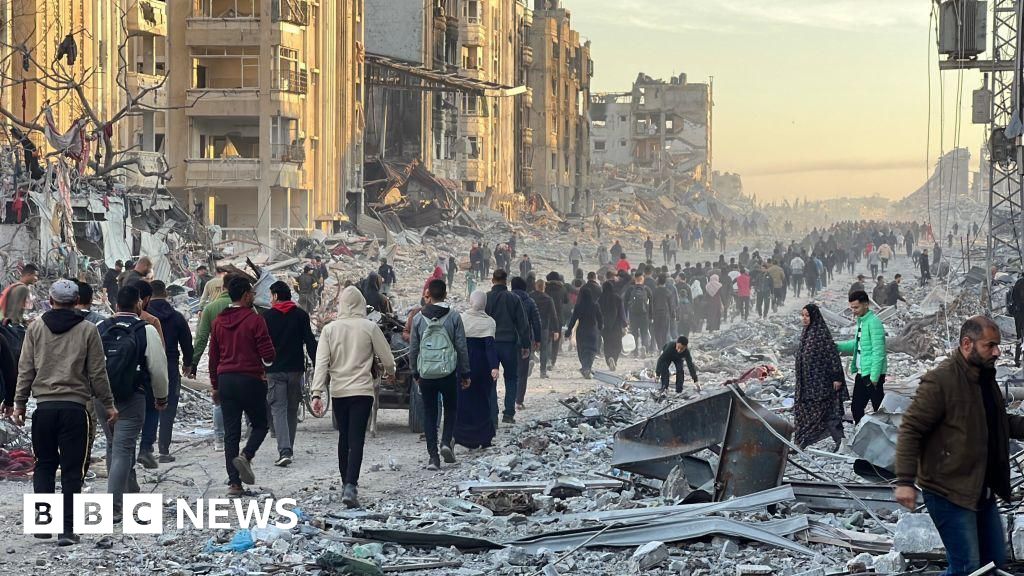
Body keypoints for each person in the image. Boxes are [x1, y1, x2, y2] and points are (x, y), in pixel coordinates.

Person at [894, 316, 1024, 575]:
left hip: (980, 489)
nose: (997, 352)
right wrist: (905, 481)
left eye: (997, 345)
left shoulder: (984, 378)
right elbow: (911, 429)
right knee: (967, 568)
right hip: (948, 491)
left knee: (992, 563)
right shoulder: (941, 381)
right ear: (967, 344)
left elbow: (998, 421)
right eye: (990, 345)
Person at [12, 279, 114, 546]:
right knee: (72, 469)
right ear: (77, 301)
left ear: (50, 300)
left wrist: (20, 403)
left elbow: (25, 369)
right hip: (75, 409)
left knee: (44, 464)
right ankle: (68, 530)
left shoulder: (35, 328)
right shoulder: (88, 329)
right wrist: (109, 404)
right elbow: (97, 373)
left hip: (44, 409)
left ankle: (43, 523)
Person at [311, 286, 395, 508]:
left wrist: (316, 393)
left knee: (344, 437)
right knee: (357, 438)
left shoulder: (329, 330)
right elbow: (387, 358)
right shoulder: (369, 327)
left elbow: (321, 363)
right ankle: (351, 485)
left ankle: (344, 483)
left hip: (339, 392)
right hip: (362, 392)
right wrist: (391, 372)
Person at [96, 284, 169, 520]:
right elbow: (158, 368)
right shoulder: (145, 330)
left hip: (102, 398)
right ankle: (114, 506)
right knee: (123, 449)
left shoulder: (101, 327)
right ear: (139, 303)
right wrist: (161, 396)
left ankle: (125, 493)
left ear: (116, 305)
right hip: (132, 397)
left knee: (112, 445)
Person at [208, 277, 276, 496]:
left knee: (231, 433)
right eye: (252, 294)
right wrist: (267, 362)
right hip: (250, 379)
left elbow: (213, 357)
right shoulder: (255, 320)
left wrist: (215, 386)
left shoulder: (218, 322)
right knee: (260, 424)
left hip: (226, 380)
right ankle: (246, 456)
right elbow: (268, 354)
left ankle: (234, 484)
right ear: (246, 295)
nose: (253, 297)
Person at [409, 279, 471, 469]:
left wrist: (415, 372)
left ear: (429, 294)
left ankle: (433, 458)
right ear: (445, 294)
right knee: (451, 408)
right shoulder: (454, 317)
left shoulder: (418, 318)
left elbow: (413, 348)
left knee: (430, 413)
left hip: (426, 374)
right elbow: (461, 346)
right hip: (448, 372)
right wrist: (465, 372)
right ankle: (446, 442)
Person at [262, 281, 317, 467]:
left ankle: (284, 450)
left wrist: (259, 367)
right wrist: (318, 364)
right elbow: (310, 341)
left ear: (276, 296)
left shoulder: (267, 317)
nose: (270, 299)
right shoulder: (301, 315)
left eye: (271, 295)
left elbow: (260, 345)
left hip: (274, 370)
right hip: (296, 370)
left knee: (278, 409)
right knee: (292, 409)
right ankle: (288, 449)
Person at [143, 280, 193, 464]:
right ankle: (164, 450)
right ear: (165, 293)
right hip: (170, 365)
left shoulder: (144, 317)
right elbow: (187, 343)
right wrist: (188, 364)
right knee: (168, 407)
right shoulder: (177, 317)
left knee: (147, 405)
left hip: (145, 365)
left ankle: (146, 448)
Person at [793, 304, 848, 450]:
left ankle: (840, 442)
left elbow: (833, 356)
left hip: (821, 384)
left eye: (807, 316)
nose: (804, 318)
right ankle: (800, 443)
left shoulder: (821, 334)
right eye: (803, 315)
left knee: (828, 413)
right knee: (804, 413)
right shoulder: (806, 333)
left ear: (814, 316)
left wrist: (837, 378)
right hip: (806, 384)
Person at [485, 269, 530, 424]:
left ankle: (492, 416)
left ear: (493, 280)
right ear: (506, 281)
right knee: (511, 377)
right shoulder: (514, 298)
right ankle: (509, 414)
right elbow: (523, 323)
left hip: (490, 344)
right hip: (509, 344)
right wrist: (525, 344)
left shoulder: (486, 298)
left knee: (491, 379)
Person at [456, 290, 499, 449]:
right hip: (482, 366)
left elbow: (458, 344)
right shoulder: (489, 322)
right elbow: (490, 347)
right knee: (483, 401)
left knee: (464, 401)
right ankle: (484, 438)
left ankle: (464, 437)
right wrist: (494, 367)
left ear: (471, 301)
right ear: (485, 304)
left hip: (464, 364)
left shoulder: (461, 319)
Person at [836, 290, 887, 424]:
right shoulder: (862, 322)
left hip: (872, 374)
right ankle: (864, 432)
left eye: (856, 307)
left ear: (866, 304)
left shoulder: (874, 322)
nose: (853, 311)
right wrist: (838, 346)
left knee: (879, 409)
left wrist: (874, 377)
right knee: (856, 408)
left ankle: (884, 433)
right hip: (862, 372)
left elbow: (878, 352)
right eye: (852, 308)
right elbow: (858, 345)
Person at [510, 277, 541, 409]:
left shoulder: (506, 300)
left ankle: (510, 399)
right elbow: (536, 322)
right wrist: (538, 339)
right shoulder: (530, 302)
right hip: (525, 340)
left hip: (508, 340)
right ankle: (519, 400)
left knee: (510, 371)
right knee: (522, 372)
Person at [565, 290, 603, 379]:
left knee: (582, 350)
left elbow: (573, 320)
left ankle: (585, 367)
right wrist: (600, 327)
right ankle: (587, 367)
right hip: (592, 330)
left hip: (581, 331)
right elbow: (600, 318)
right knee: (591, 350)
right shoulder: (595, 305)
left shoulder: (578, 306)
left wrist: (568, 331)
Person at [530, 279, 559, 379]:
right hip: (544, 327)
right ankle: (543, 371)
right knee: (544, 349)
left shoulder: (530, 297)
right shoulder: (548, 299)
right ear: (544, 287)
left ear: (536, 286)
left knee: (530, 346)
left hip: (532, 326)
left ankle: (530, 360)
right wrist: (556, 330)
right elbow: (554, 315)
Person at [598, 280, 627, 370]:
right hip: (616, 325)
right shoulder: (617, 298)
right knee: (617, 344)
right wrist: (624, 324)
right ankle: (614, 358)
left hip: (605, 326)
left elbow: (597, 312)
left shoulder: (600, 298)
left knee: (607, 344)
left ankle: (609, 359)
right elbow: (621, 312)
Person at [624, 271, 653, 357]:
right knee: (644, 333)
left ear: (635, 279)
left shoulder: (630, 289)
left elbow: (625, 303)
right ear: (642, 278)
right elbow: (651, 304)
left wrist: (625, 317)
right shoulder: (647, 289)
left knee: (634, 334)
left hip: (633, 315)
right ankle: (644, 348)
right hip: (644, 315)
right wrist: (651, 316)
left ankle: (635, 352)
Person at [651, 275, 677, 349]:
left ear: (658, 282)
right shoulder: (668, 292)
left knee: (657, 331)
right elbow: (671, 305)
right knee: (665, 332)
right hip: (666, 314)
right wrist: (673, 315)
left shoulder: (654, 292)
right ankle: (663, 347)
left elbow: (651, 304)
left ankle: (659, 347)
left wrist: (650, 315)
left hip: (656, 314)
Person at [1012, 274, 1024, 366]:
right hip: (1021, 311)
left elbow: (1012, 297)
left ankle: (1017, 359)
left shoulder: (1018, 282)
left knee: (1019, 337)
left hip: (1018, 313)